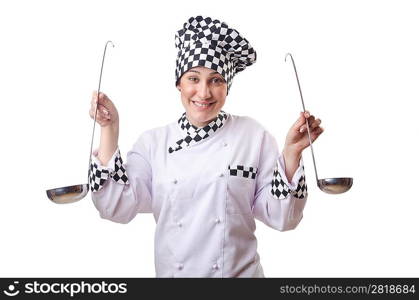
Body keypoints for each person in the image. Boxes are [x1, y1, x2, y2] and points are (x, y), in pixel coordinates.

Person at [88, 16, 323, 278]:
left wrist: (292, 153)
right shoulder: (153, 143)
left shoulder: (253, 136)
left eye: (216, 80)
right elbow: (115, 206)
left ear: (227, 87)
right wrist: (110, 128)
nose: (204, 93)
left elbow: (283, 218)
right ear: (179, 83)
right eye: (193, 79)